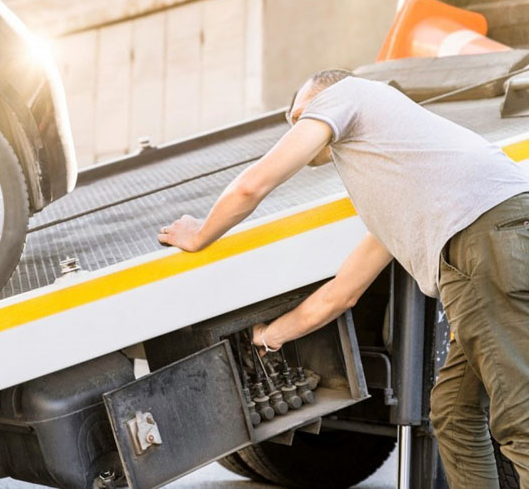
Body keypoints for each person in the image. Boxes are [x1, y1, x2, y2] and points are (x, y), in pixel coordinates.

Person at [157, 69, 529, 487]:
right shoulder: (405, 190)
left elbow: (254, 185)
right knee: (453, 413)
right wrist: (269, 335)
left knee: (519, 418)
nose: (296, 127)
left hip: (488, 245)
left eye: (300, 115)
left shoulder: (349, 93)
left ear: (322, 96)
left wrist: (201, 233)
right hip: (486, 254)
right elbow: (342, 292)